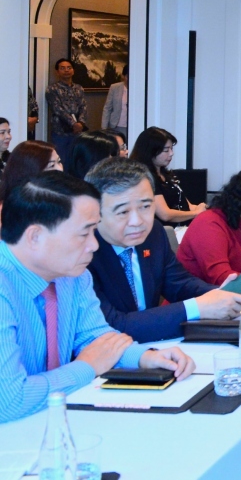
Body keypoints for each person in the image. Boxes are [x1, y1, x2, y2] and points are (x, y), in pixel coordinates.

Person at [0, 172, 195, 423]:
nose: (94, 245)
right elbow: (10, 401)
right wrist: (88, 367)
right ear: (35, 236)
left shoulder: (73, 274)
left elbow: (97, 338)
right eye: (84, 234)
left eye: (94, 231)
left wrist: (145, 357)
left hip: (49, 420)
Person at [84, 158, 241, 342]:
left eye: (145, 206)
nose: (137, 221)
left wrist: (219, 294)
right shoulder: (82, 253)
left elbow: (178, 283)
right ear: (95, 213)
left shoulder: (154, 233)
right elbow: (114, 325)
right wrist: (196, 308)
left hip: (155, 346)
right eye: (123, 212)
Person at [130, 126, 203, 224]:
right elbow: (165, 214)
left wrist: (201, 209)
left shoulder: (167, 175)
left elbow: (187, 205)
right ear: (150, 151)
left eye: (171, 149)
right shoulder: (145, 178)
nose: (171, 153)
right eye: (166, 150)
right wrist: (196, 213)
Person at [45, 58, 87, 161]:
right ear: (57, 72)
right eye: (62, 68)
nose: (66, 70)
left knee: (77, 161)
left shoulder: (79, 88)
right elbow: (57, 109)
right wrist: (73, 124)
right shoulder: (52, 89)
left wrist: (81, 123)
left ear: (73, 70)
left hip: (78, 132)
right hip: (60, 132)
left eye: (69, 68)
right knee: (61, 161)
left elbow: (83, 106)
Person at [100, 65, 129, 140]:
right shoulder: (114, 87)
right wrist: (104, 128)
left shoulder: (139, 88)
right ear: (123, 76)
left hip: (133, 125)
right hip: (116, 126)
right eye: (127, 76)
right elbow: (107, 108)